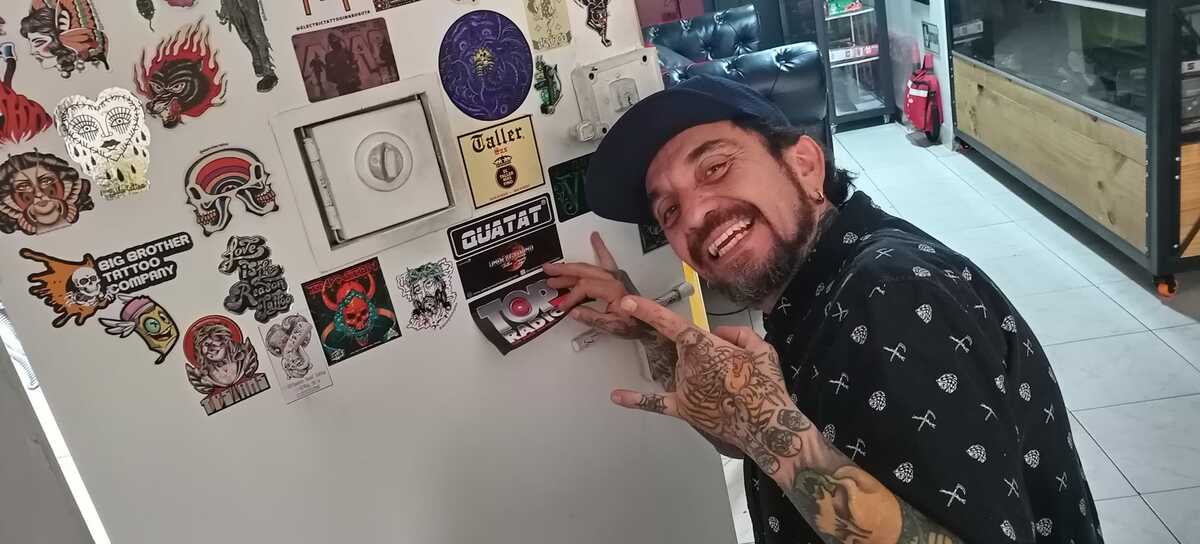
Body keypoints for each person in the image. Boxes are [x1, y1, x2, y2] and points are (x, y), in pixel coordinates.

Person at [545, 75, 1102, 544]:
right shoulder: (813, 295)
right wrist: (652, 331)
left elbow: (773, 436)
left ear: (805, 164)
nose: (692, 216)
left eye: (715, 168)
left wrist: (770, 432)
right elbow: (755, 431)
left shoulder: (888, 295)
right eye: (669, 211)